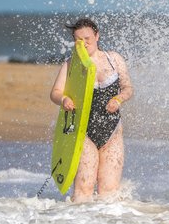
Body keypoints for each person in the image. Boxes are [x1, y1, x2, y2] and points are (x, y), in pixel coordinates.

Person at [50, 18, 133, 203]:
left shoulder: (114, 59)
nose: (83, 43)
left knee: (109, 192)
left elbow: (128, 88)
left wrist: (118, 99)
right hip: (83, 131)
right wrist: (64, 99)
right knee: (83, 191)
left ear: (97, 36)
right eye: (78, 40)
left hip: (112, 131)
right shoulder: (71, 64)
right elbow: (55, 92)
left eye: (87, 38)